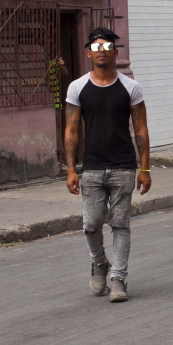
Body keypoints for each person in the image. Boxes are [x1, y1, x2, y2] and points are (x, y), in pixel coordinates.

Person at [64, 28, 150, 303]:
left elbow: (141, 129)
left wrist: (145, 169)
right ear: (88, 52)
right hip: (92, 168)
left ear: (116, 51)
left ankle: (119, 279)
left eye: (107, 45)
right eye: (96, 46)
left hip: (124, 167)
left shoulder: (130, 87)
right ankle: (99, 263)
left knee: (121, 224)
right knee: (91, 223)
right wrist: (70, 169)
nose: (102, 50)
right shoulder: (77, 87)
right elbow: (72, 130)